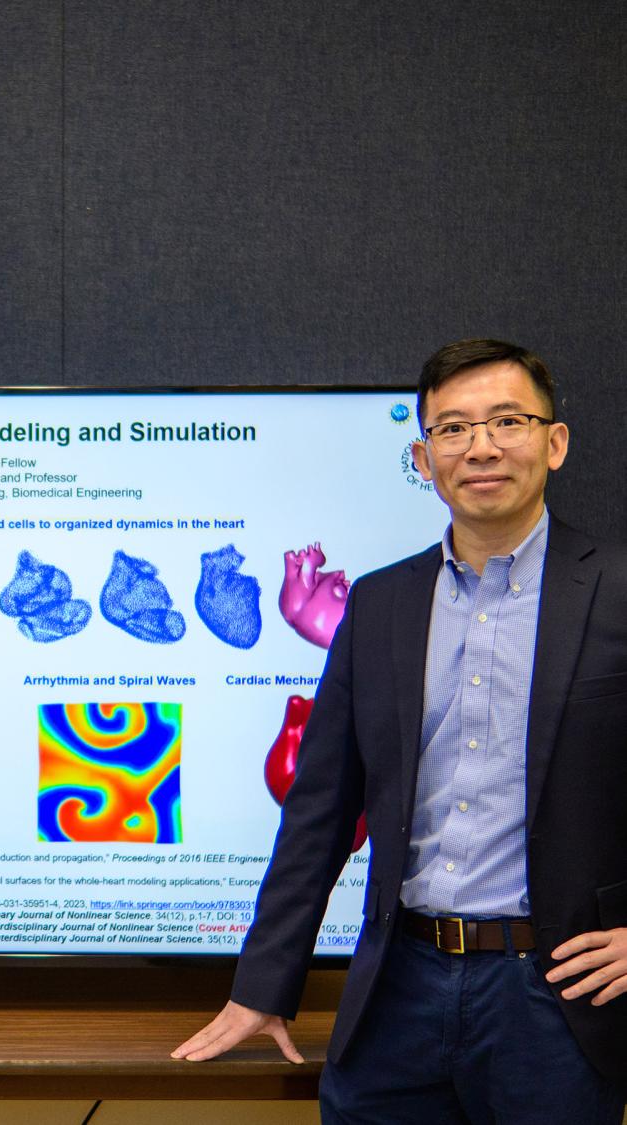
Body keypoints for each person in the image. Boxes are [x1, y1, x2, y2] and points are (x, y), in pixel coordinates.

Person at [174, 338, 627, 1122]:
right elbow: (318, 811)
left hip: (552, 999)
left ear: (554, 442)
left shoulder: (618, 590)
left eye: (507, 422)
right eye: (452, 429)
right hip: (398, 987)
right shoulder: (380, 604)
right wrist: (263, 985)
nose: (480, 446)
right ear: (424, 456)